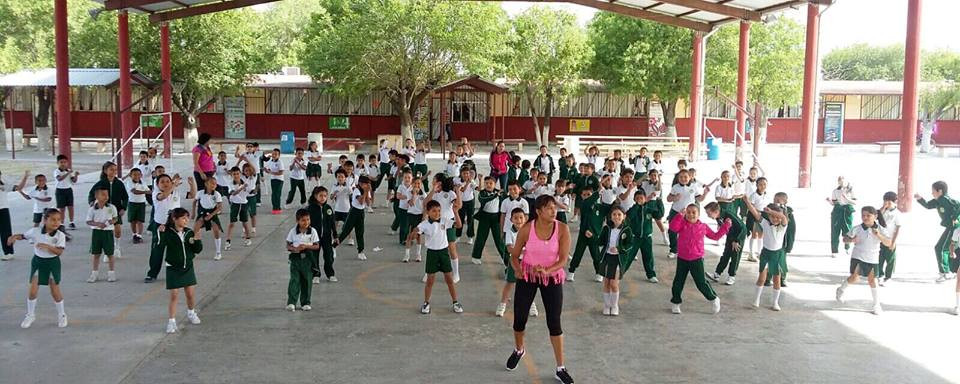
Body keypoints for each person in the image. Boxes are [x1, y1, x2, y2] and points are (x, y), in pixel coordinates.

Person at [504, 195, 573, 384]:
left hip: (551, 278)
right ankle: (519, 349)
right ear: (539, 211)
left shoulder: (563, 229)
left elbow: (563, 260)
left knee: (554, 322)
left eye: (554, 207)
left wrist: (547, 270)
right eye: (549, 208)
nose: (554, 211)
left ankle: (560, 367)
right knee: (519, 318)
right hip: (528, 276)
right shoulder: (527, 229)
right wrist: (518, 270)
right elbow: (514, 256)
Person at [10, 208, 68, 328]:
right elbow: (24, 236)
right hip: (38, 262)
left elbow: (59, 252)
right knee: (32, 291)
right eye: (53, 220)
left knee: (55, 291)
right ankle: (30, 315)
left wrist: (48, 247)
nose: (56, 222)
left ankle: (62, 315)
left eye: (58, 220)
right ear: (44, 220)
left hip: (52, 263)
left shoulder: (60, 235)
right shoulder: (35, 231)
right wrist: (14, 236)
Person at [668, 204, 731, 315]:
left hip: (697, 259)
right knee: (678, 281)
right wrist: (679, 216)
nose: (691, 215)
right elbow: (673, 228)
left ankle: (714, 298)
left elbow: (715, 236)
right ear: (685, 213)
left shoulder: (703, 226)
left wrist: (725, 226)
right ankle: (676, 302)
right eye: (688, 212)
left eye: (694, 212)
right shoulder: (682, 224)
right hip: (682, 258)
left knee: (701, 282)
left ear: (698, 214)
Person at [835, 206, 892, 315]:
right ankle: (841, 290)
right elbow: (844, 239)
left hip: (872, 258)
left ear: (875, 216)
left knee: (873, 281)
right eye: (863, 215)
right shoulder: (857, 228)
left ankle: (876, 305)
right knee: (855, 278)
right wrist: (851, 240)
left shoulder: (881, 229)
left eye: (868, 216)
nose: (865, 218)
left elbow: (888, 243)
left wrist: (878, 235)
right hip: (858, 256)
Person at [159, 208, 204, 333]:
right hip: (173, 267)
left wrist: (197, 239)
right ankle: (171, 321)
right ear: (174, 219)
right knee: (174, 295)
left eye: (187, 218)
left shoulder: (189, 232)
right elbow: (160, 245)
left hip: (187, 267)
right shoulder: (167, 232)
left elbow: (197, 250)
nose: (186, 220)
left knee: (190, 294)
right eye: (183, 218)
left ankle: (191, 313)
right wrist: (160, 233)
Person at [415, 200, 463, 315]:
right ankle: (426, 302)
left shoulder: (444, 221)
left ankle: (455, 302)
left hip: (443, 253)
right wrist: (414, 232)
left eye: (439, 211)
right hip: (432, 254)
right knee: (430, 280)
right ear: (428, 212)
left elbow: (459, 225)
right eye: (434, 211)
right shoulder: (424, 224)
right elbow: (417, 232)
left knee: (449, 279)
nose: (437, 213)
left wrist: (455, 212)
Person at [145, 174, 195, 283]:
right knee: (157, 250)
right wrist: (173, 185)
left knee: (176, 249)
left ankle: (177, 271)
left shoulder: (176, 192)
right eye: (162, 182)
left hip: (175, 226)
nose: (165, 183)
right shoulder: (156, 194)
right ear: (157, 184)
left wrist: (192, 185)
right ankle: (152, 273)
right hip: (160, 226)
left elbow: (192, 195)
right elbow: (163, 196)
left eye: (167, 181)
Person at [742, 197, 789, 311]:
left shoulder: (783, 226)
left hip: (777, 255)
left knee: (776, 279)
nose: (775, 219)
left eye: (777, 217)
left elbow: (783, 217)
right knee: (761, 278)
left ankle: (775, 302)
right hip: (766, 254)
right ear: (768, 217)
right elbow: (754, 212)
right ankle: (756, 299)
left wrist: (771, 211)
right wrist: (747, 201)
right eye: (772, 216)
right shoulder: (765, 223)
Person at [496, 208, 538, 318]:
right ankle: (502, 304)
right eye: (515, 218)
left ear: (526, 218)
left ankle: (531, 304)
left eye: (521, 217)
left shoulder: (530, 231)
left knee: (529, 284)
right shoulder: (510, 232)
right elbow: (510, 249)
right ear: (511, 219)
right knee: (510, 283)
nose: (518, 220)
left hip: (528, 261)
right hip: (515, 260)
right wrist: (522, 250)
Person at [915, 181, 960, 283]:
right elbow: (927, 205)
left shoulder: (945, 199)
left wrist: (954, 217)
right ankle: (949, 272)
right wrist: (920, 199)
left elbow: (959, 205)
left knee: (941, 248)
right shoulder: (937, 200)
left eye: (933, 191)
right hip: (949, 227)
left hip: (954, 227)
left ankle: (946, 273)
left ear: (940, 191)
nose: (932, 193)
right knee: (942, 248)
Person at [425, 174, 463, 282]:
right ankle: (428, 273)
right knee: (432, 248)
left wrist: (458, 191)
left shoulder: (450, 193)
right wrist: (433, 190)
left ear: (440, 182)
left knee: (451, 247)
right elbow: (426, 203)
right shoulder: (435, 194)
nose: (433, 182)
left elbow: (458, 205)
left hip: (449, 222)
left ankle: (456, 273)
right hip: (436, 223)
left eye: (434, 180)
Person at [599, 206, 634, 316]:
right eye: (614, 214)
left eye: (619, 214)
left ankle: (614, 305)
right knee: (606, 282)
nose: (616, 217)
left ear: (624, 216)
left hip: (618, 259)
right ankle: (606, 305)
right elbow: (600, 241)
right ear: (610, 216)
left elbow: (630, 244)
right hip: (607, 257)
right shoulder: (606, 228)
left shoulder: (627, 230)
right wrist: (593, 236)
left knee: (614, 283)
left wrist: (619, 249)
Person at [666, 169, 709, 259]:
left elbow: (699, 199)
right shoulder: (675, 187)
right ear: (678, 178)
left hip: (689, 214)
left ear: (690, 177)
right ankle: (673, 250)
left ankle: (687, 250)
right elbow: (668, 199)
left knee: (688, 232)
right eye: (681, 177)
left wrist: (705, 194)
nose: (683, 178)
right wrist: (674, 197)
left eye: (685, 176)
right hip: (676, 211)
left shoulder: (694, 187)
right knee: (672, 231)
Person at [88, 162, 128, 258]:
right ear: (105, 171)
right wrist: (92, 202)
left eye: (115, 169)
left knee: (117, 230)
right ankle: (108, 252)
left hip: (116, 210)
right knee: (107, 232)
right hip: (103, 211)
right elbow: (91, 194)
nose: (114, 171)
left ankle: (117, 247)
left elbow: (125, 197)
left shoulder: (119, 183)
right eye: (111, 169)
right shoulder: (100, 183)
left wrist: (123, 208)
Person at [285, 209, 321, 312]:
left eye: (308, 220)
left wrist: (306, 246)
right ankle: (291, 302)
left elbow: (317, 246)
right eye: (303, 220)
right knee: (294, 280)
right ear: (297, 221)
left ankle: (305, 302)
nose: (306, 222)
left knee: (307, 281)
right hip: (295, 259)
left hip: (307, 259)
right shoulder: (293, 231)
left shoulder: (312, 231)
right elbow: (288, 245)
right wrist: (295, 249)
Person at [705, 201, 747, 286]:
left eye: (709, 213)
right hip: (730, 236)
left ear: (716, 212)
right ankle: (717, 274)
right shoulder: (718, 217)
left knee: (735, 256)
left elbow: (742, 228)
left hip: (738, 236)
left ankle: (732, 276)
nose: (708, 216)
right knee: (726, 255)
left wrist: (736, 240)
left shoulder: (729, 215)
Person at [568, 185, 603, 282]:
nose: (587, 196)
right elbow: (584, 221)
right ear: (581, 196)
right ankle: (571, 271)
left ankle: (599, 272)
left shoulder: (599, 208)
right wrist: (598, 191)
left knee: (596, 255)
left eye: (589, 194)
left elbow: (610, 209)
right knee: (578, 254)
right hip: (583, 234)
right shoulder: (583, 205)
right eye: (584, 195)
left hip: (594, 236)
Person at [627, 190, 663, 283]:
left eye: (641, 198)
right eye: (637, 198)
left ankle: (651, 275)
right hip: (635, 237)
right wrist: (636, 206)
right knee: (629, 255)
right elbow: (629, 216)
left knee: (648, 257)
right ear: (634, 199)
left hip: (647, 238)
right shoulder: (633, 209)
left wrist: (659, 201)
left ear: (645, 199)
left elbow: (659, 214)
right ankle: (621, 271)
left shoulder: (649, 210)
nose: (639, 200)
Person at [85, 187, 119, 283]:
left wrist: (110, 222)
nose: (106, 197)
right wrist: (98, 224)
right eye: (103, 194)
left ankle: (111, 273)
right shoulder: (92, 209)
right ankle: (94, 273)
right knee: (96, 254)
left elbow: (116, 218)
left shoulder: (111, 207)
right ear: (96, 196)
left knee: (110, 253)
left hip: (108, 232)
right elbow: (88, 221)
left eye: (107, 195)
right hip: (97, 233)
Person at [471, 176, 506, 264]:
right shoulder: (482, 193)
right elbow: (484, 200)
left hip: (496, 218)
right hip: (485, 217)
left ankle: (504, 258)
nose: (488, 185)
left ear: (495, 184)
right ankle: (476, 256)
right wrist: (496, 195)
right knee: (481, 237)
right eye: (486, 183)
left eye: (491, 183)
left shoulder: (499, 192)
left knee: (499, 239)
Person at [307, 186, 339, 283]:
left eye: (325, 196)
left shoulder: (328, 208)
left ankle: (330, 274)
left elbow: (332, 223)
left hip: (326, 237)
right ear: (315, 196)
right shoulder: (310, 209)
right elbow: (306, 224)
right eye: (320, 196)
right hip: (314, 238)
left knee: (328, 256)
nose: (323, 198)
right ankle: (315, 274)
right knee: (314, 256)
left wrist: (335, 235)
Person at [338, 176, 372, 260]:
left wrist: (367, 192)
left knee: (360, 232)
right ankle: (334, 246)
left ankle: (361, 251)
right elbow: (361, 202)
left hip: (361, 213)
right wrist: (365, 192)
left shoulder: (367, 191)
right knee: (346, 230)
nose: (367, 186)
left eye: (368, 184)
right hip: (354, 212)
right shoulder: (356, 190)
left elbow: (368, 203)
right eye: (365, 184)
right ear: (360, 184)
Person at [194, 177, 224, 260]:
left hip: (212, 213)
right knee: (195, 230)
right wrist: (193, 212)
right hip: (202, 212)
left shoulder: (217, 194)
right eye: (211, 183)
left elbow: (220, 207)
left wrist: (211, 215)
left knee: (216, 231)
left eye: (215, 183)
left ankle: (218, 252)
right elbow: (194, 201)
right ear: (206, 184)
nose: (214, 185)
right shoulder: (200, 193)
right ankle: (195, 249)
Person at [225, 167, 253, 252]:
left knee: (245, 222)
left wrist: (253, 189)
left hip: (244, 204)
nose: (236, 176)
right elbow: (233, 193)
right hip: (235, 204)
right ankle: (228, 241)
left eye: (237, 174)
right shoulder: (230, 183)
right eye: (234, 174)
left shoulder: (245, 182)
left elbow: (250, 191)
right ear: (231, 175)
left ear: (240, 174)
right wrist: (242, 187)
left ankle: (248, 238)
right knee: (232, 223)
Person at [876, 192, 901, 285]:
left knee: (890, 259)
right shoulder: (883, 210)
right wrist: (884, 207)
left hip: (890, 239)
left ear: (895, 202)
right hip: (880, 238)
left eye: (889, 202)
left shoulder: (897, 213)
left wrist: (893, 242)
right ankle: (880, 275)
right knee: (879, 258)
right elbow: (877, 216)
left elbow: (898, 228)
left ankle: (888, 277)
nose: (887, 204)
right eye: (885, 201)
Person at [828, 176, 856, 258]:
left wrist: (847, 198)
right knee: (835, 231)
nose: (842, 183)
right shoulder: (835, 191)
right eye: (840, 182)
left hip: (847, 210)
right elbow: (834, 202)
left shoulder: (850, 190)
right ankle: (834, 250)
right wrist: (829, 201)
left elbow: (855, 202)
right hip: (837, 211)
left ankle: (847, 247)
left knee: (848, 230)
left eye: (843, 182)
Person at [640, 169, 669, 245]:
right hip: (646, 203)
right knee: (645, 221)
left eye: (655, 175)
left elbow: (658, 188)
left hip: (655, 203)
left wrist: (659, 178)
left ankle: (665, 237)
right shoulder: (645, 182)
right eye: (651, 175)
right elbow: (637, 184)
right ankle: (646, 236)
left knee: (658, 221)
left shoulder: (658, 184)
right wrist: (643, 177)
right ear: (649, 176)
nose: (653, 177)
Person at [403, 177, 427, 263]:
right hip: (411, 215)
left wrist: (424, 217)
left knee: (418, 236)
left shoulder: (423, 194)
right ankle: (407, 255)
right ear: (412, 184)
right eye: (415, 183)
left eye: (419, 184)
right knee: (409, 235)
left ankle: (418, 254)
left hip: (419, 215)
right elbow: (411, 203)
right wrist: (414, 194)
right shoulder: (409, 192)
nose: (417, 185)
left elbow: (425, 207)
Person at [53, 155, 79, 229]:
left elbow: (73, 180)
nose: (63, 164)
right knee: (62, 208)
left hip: (68, 190)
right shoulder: (56, 171)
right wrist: (67, 173)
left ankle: (71, 222)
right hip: (60, 190)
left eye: (65, 162)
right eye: (61, 162)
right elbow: (59, 179)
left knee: (70, 207)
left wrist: (76, 175)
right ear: (57, 163)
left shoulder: (69, 170)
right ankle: (61, 223)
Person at [126, 168, 150, 244]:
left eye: (138, 174)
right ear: (130, 175)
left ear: (141, 175)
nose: (137, 176)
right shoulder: (129, 182)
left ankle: (139, 235)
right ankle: (134, 234)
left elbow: (149, 191)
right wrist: (146, 192)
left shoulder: (143, 182)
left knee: (140, 220)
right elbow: (134, 192)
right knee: (132, 220)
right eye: (134, 174)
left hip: (142, 203)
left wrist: (149, 192)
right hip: (132, 203)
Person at [455, 167, 477, 247]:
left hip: (470, 202)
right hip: (461, 202)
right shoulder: (457, 180)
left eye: (467, 173)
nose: (466, 175)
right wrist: (467, 183)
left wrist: (480, 180)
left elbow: (478, 188)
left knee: (470, 219)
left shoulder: (472, 181)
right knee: (460, 218)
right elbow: (462, 190)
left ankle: (470, 236)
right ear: (461, 174)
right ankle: (458, 235)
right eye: (464, 173)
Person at [264, 148, 285, 214]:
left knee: (277, 194)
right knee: (273, 194)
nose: (274, 155)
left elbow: (281, 172)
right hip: (273, 179)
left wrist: (271, 172)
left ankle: (277, 208)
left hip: (279, 180)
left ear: (279, 155)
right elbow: (269, 170)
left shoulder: (280, 162)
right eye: (273, 154)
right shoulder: (271, 161)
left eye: (276, 154)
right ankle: (275, 207)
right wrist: (266, 170)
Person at [0, 171, 14, 261]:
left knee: (5, 232)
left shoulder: (3, 181)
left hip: (3, 208)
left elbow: (15, 187)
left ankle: (8, 252)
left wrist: (25, 177)